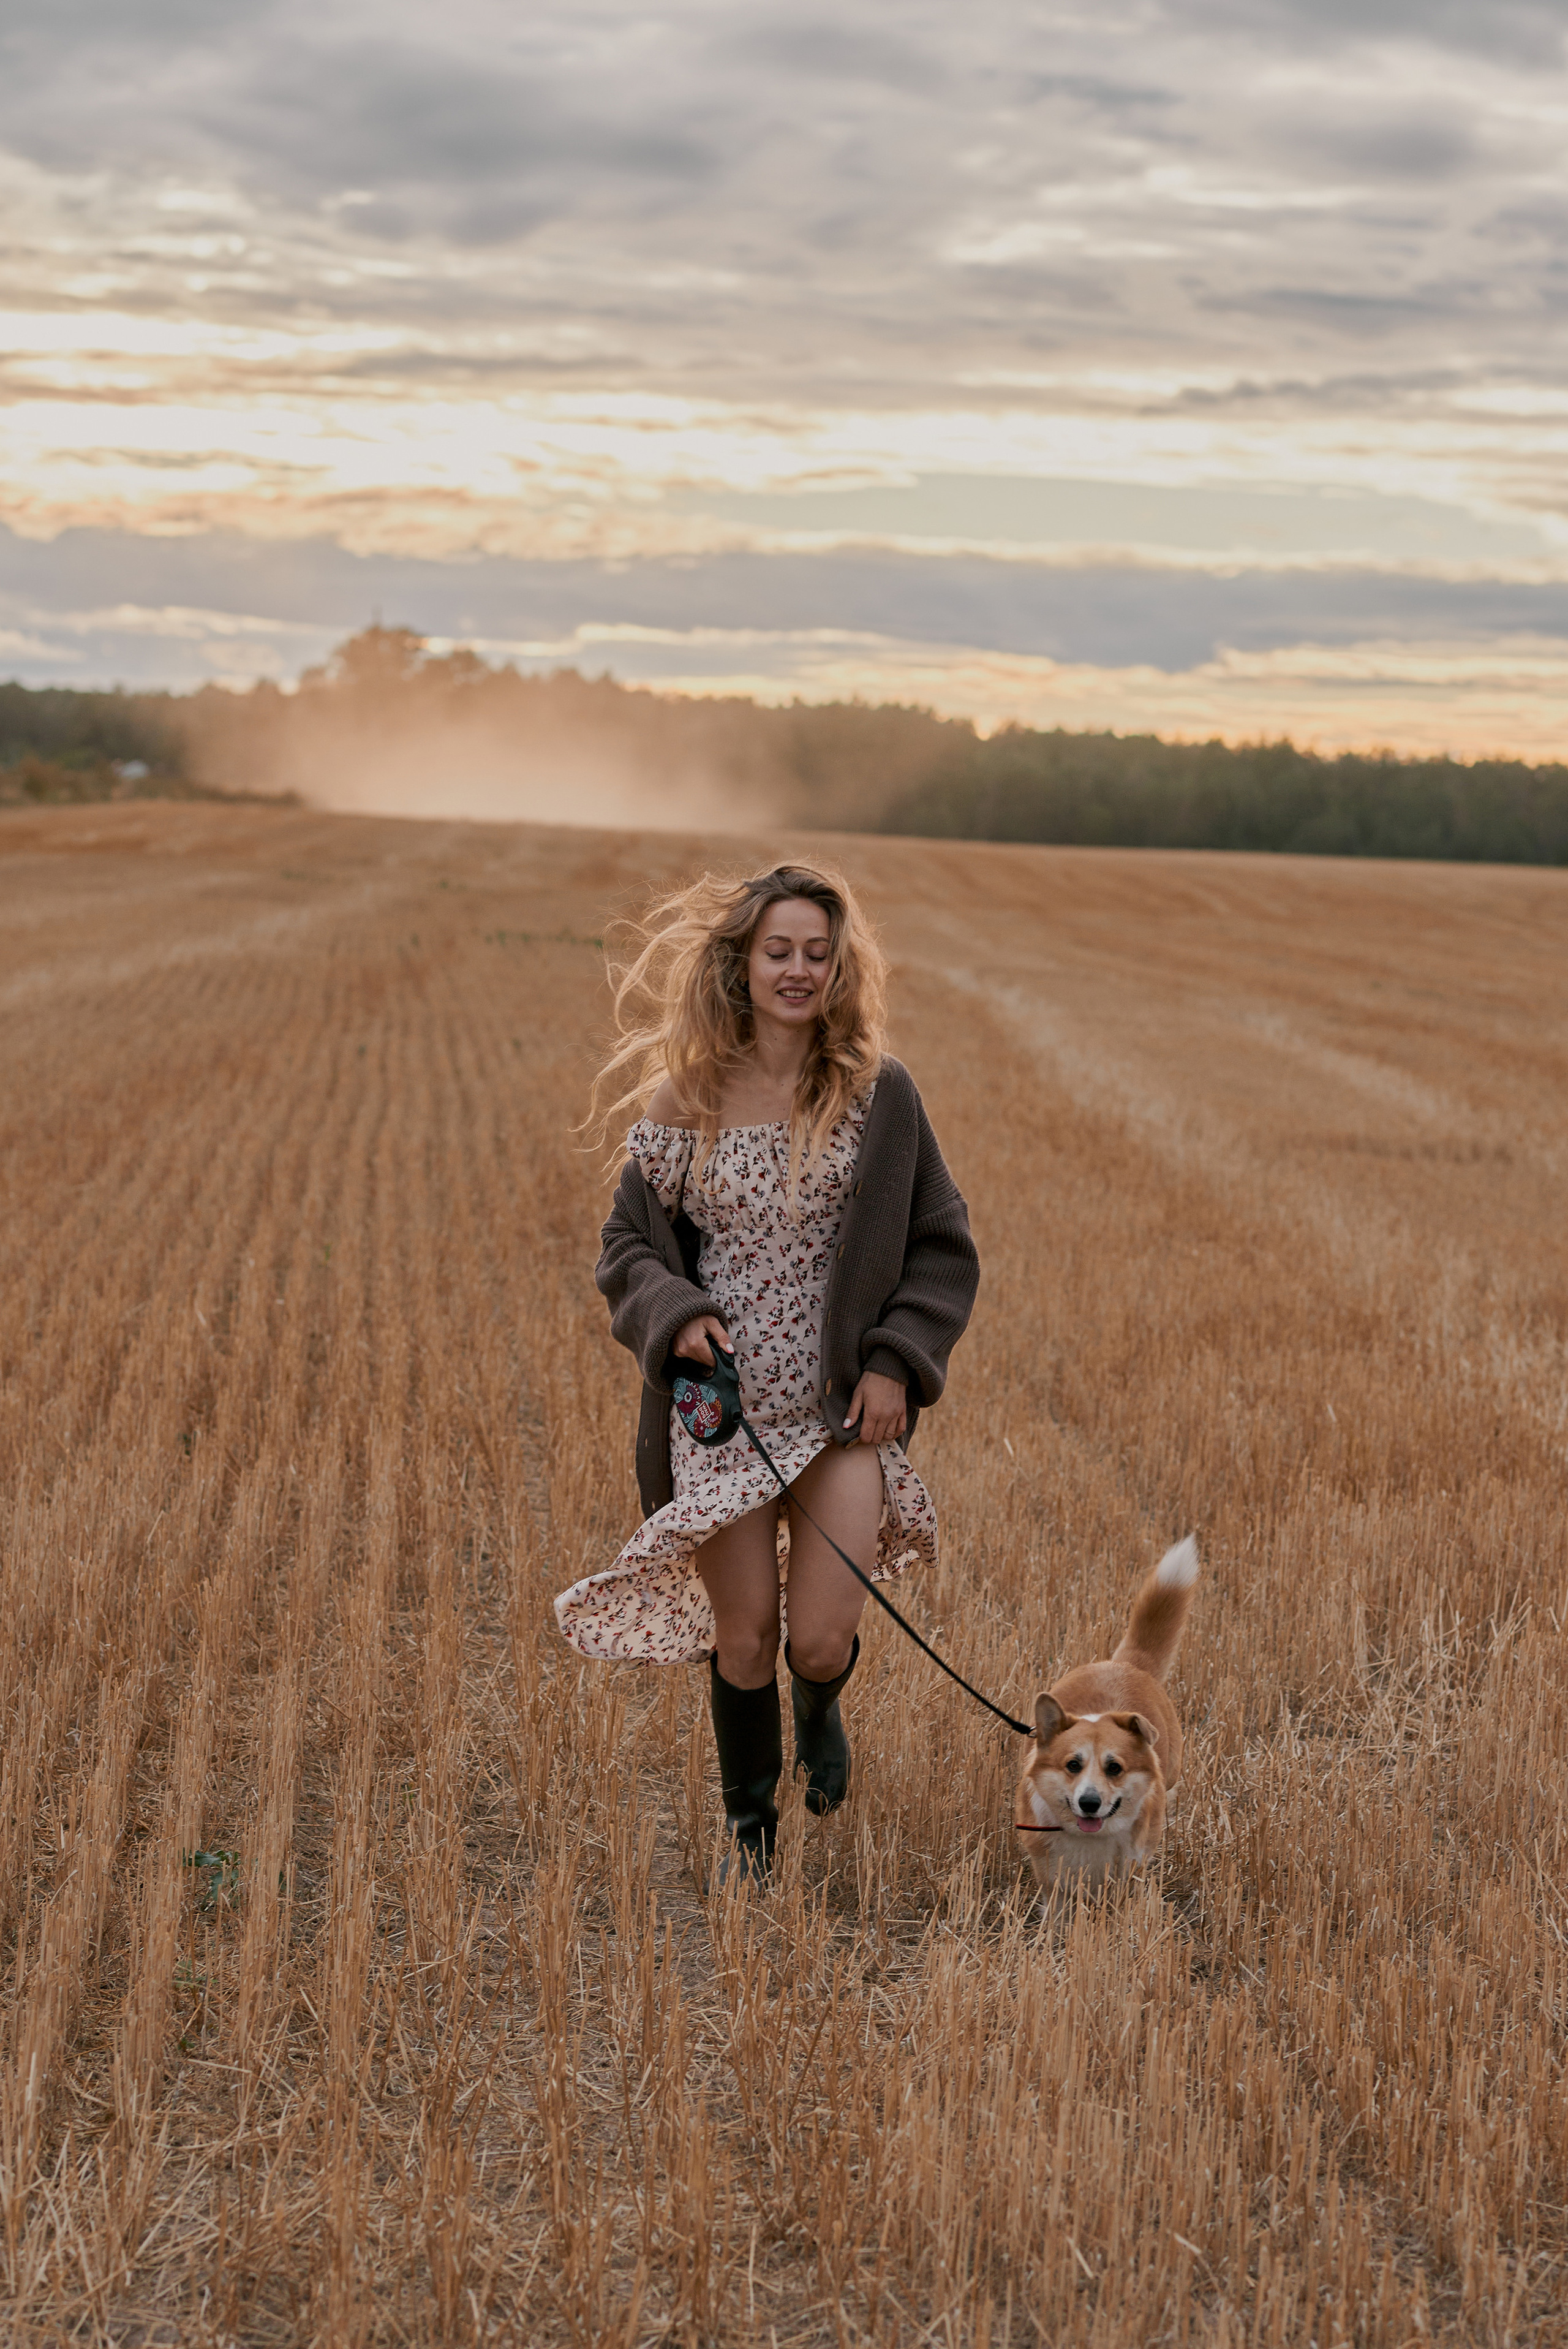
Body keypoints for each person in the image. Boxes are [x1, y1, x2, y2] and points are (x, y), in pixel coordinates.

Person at [556, 863, 979, 1882]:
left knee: (819, 1639)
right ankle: (751, 1836)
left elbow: (942, 1245)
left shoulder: (880, 1094)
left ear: (840, 969)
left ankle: (821, 1706)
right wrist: (676, 1313)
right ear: (741, 964)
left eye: (818, 953)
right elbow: (626, 1245)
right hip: (724, 1420)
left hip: (838, 1418)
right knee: (744, 1637)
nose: (798, 969)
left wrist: (896, 1364)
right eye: (778, 950)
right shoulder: (690, 1095)